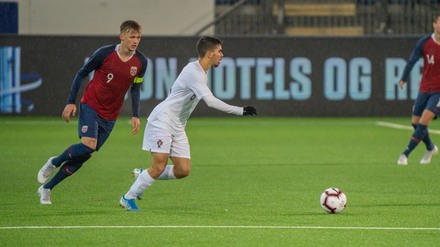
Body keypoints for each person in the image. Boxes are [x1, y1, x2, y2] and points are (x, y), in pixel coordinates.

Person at [119, 36, 257, 211]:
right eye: (219, 51)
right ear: (209, 53)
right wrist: (241, 110)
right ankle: (127, 198)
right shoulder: (193, 72)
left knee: (183, 170)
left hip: (177, 125)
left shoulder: (199, 72)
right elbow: (211, 102)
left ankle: (143, 175)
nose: (222, 55)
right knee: (159, 166)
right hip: (162, 121)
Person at [37, 20, 148, 204]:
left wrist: (135, 114)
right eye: (132, 37)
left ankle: (47, 188)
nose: (135, 41)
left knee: (84, 155)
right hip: (91, 105)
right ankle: (54, 162)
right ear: (122, 36)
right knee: (88, 144)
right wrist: (70, 102)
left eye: (138, 37)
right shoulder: (104, 53)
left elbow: (135, 88)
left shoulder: (141, 62)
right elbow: (81, 73)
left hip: (110, 115)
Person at [397, 13, 440, 165]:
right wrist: (404, 77)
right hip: (425, 88)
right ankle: (430, 148)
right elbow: (412, 60)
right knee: (415, 123)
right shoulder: (424, 43)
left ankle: (405, 154)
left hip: (438, 92)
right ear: (434, 24)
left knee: (424, 120)